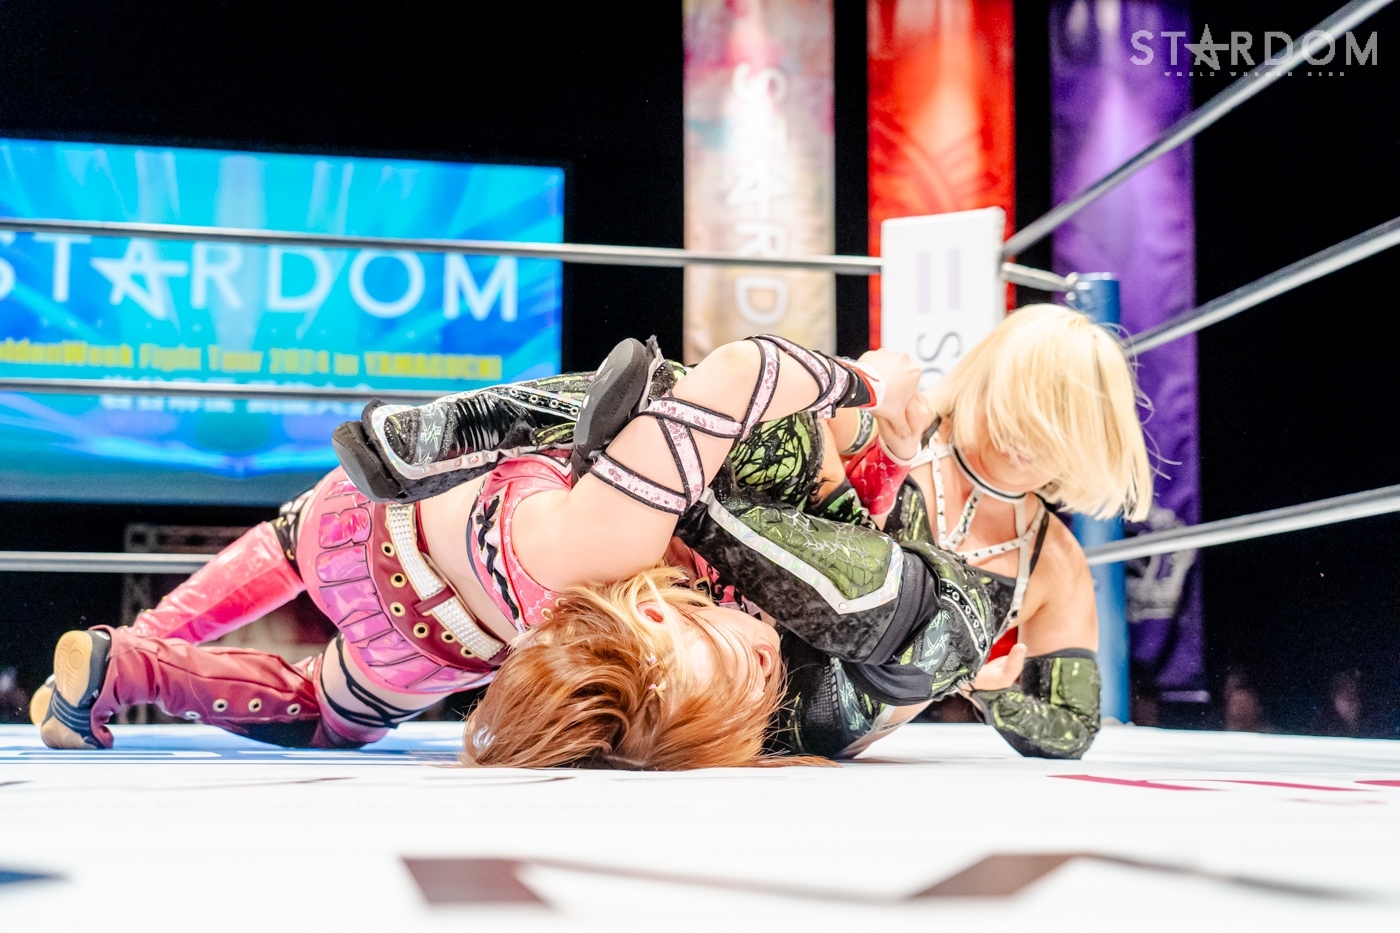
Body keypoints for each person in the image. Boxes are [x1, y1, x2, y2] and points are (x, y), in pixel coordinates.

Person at [33, 334, 994, 769]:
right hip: (427, 651)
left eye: (741, 665)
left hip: (359, 522)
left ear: (654, 619)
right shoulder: (618, 691)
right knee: (324, 712)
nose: (767, 653)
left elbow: (739, 373)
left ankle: (135, 648)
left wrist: (867, 382)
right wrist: (889, 457)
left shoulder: (606, 556)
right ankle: (133, 669)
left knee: (282, 547)